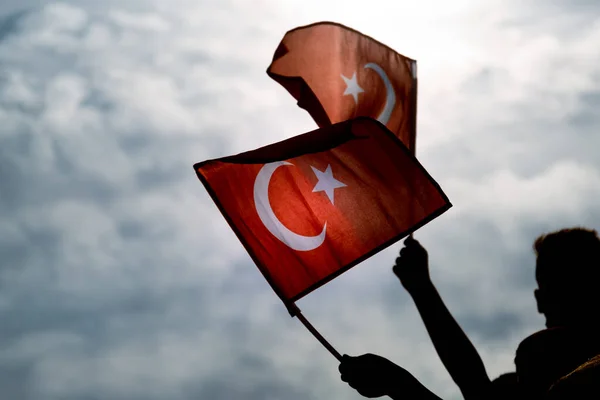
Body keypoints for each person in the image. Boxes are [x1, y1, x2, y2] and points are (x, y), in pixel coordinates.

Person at [339, 228, 600, 399]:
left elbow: (476, 391)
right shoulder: (532, 370)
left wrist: (395, 382)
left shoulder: (542, 354)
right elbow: (477, 388)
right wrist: (421, 288)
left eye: (549, 287)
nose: (539, 304)